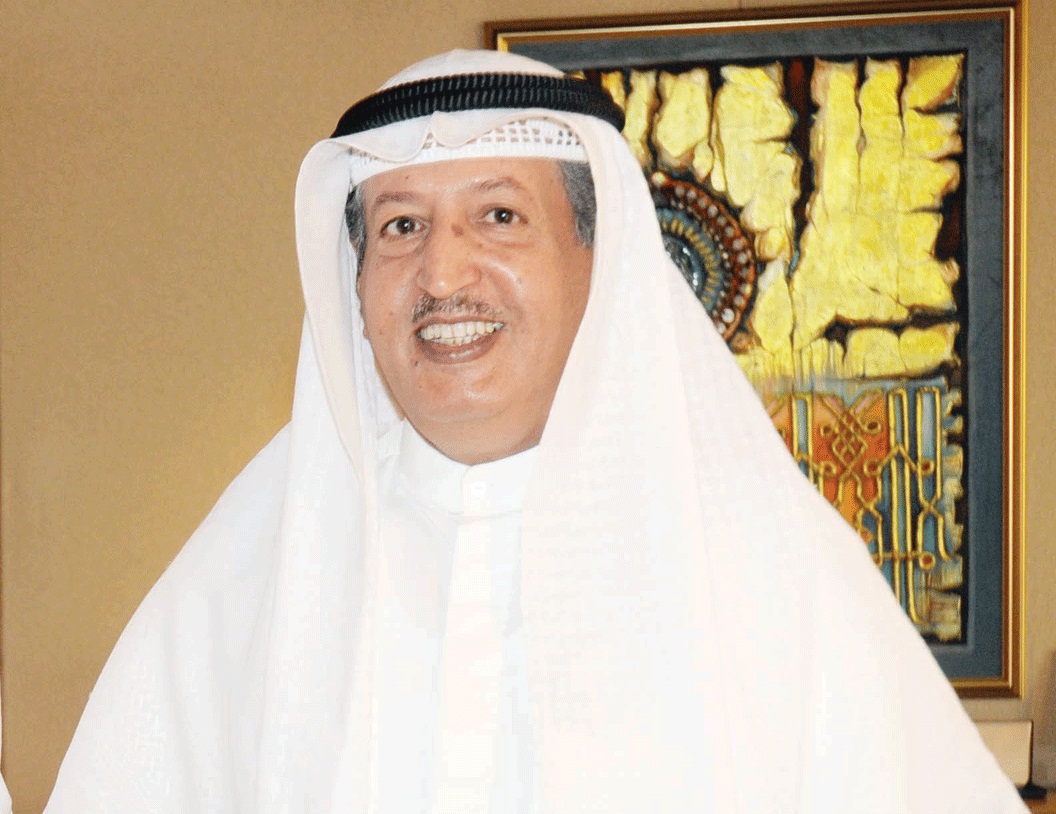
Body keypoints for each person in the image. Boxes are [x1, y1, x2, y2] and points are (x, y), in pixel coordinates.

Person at [46, 49, 1024, 813]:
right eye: (399, 227)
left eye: (500, 216)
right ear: (355, 284)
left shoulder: (773, 578)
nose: (443, 275)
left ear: (600, 263)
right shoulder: (246, 578)